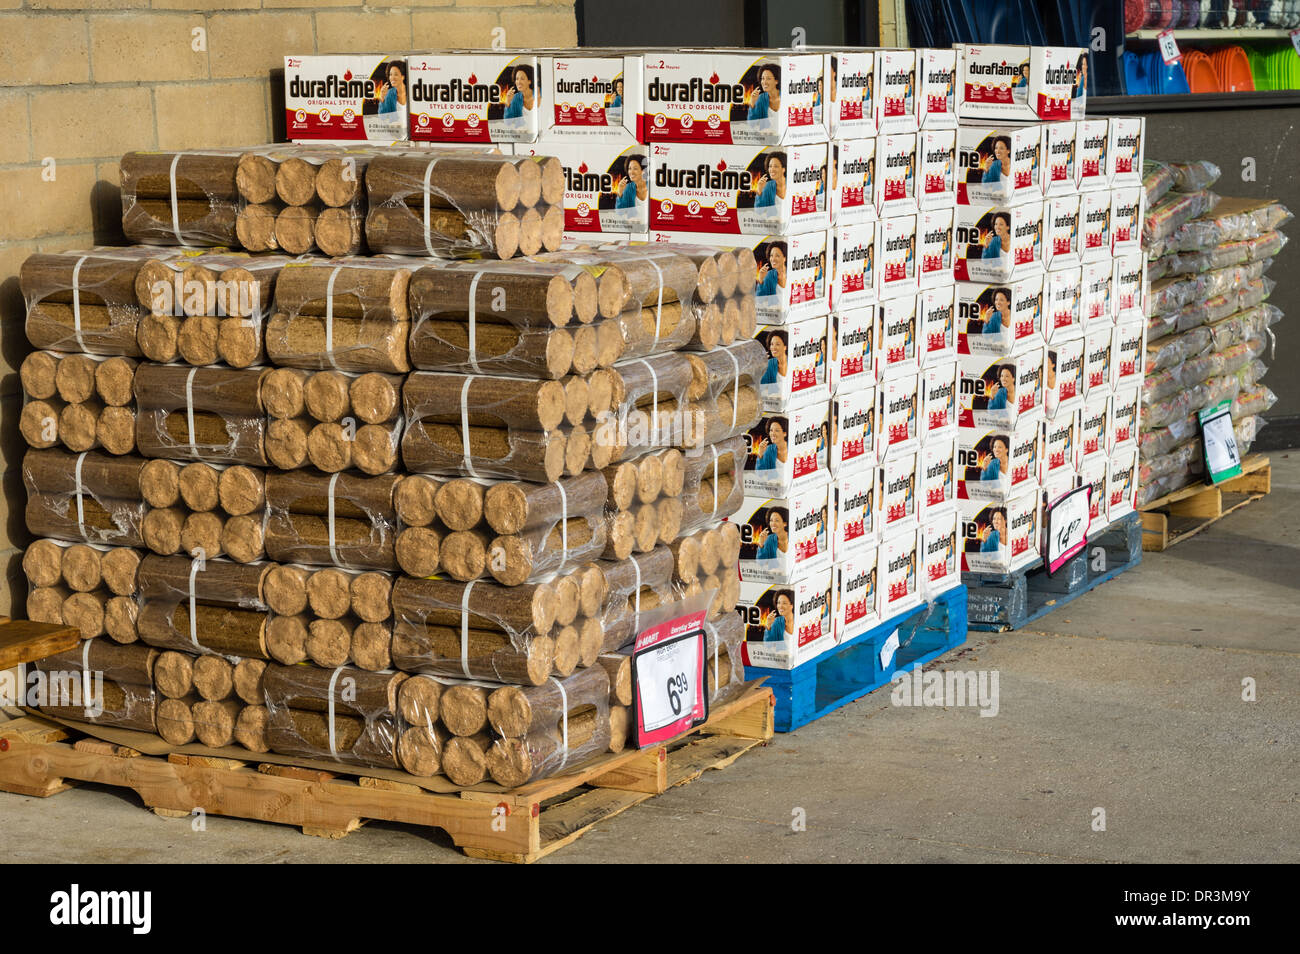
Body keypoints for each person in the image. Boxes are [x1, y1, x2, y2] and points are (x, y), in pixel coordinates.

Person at [1044, 350, 1059, 417]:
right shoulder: (1042, 379)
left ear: (1053, 365)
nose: (1044, 364)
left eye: (1047, 362)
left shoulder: (1057, 379)